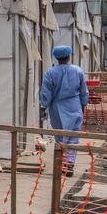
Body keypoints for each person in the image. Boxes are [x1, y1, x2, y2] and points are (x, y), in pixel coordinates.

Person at [41, 44, 90, 174]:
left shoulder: (50, 73)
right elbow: (83, 91)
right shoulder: (78, 71)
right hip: (74, 106)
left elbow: (46, 93)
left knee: (60, 137)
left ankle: (62, 163)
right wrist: (84, 104)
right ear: (69, 56)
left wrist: (43, 106)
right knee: (73, 138)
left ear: (56, 58)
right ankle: (69, 164)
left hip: (57, 109)